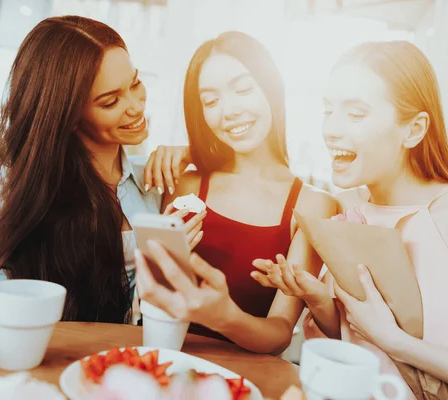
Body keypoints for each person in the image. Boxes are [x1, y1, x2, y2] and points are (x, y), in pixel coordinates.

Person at [254, 41, 448, 399]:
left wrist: (397, 343)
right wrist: (320, 301)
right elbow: (362, 353)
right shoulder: (346, 211)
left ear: (413, 129)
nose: (331, 129)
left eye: (355, 114)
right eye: (328, 110)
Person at [0, 16, 203, 323]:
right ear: (69, 116)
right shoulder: (9, 187)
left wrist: (195, 153)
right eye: (111, 101)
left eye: (135, 83)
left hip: (115, 359)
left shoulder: (152, 181)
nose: (137, 106)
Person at [136, 31, 337, 355]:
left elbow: (280, 333)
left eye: (243, 89)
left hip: (243, 382)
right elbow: (150, 298)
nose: (228, 111)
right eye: (211, 100)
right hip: (162, 364)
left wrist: (225, 318)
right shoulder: (185, 186)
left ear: (271, 89)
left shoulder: (313, 206)